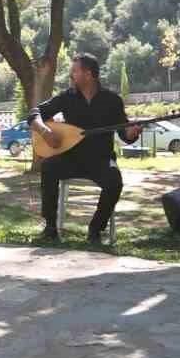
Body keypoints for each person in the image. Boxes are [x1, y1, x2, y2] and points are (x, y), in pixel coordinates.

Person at [32, 55, 141, 245]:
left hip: (100, 160)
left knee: (114, 182)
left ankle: (95, 230)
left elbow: (125, 134)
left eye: (75, 71)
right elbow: (34, 114)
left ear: (88, 74)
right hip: (71, 158)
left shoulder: (112, 100)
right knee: (48, 167)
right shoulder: (68, 97)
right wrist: (45, 131)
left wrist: (132, 133)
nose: (71, 75)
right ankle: (50, 228)